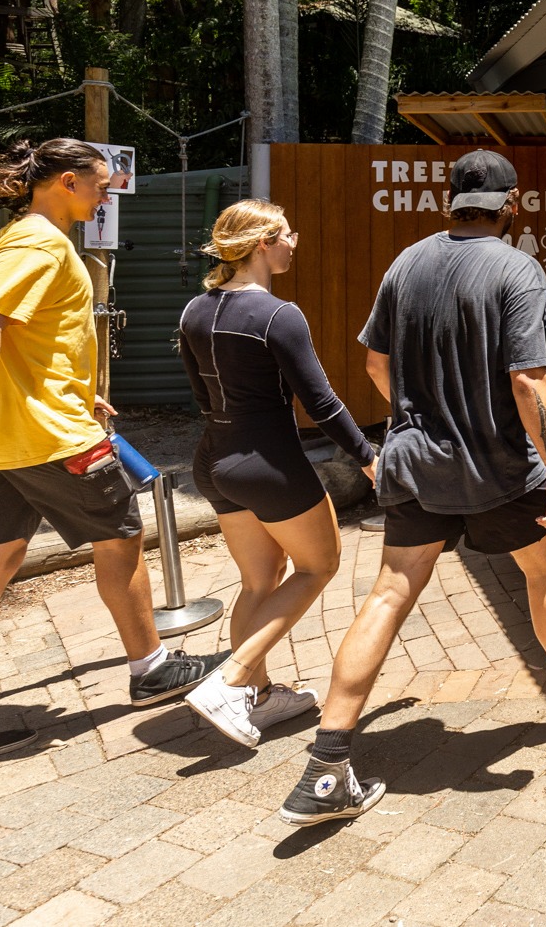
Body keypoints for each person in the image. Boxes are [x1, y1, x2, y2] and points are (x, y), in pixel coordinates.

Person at [278, 150, 546, 826]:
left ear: (452, 201)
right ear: (511, 203)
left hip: (414, 462)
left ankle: (326, 766)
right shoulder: (516, 267)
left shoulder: (406, 263)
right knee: (545, 568)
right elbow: (529, 380)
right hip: (499, 467)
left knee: (388, 594)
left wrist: (422, 417)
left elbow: (375, 364)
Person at [0, 140, 225, 773]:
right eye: (100, 186)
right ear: (68, 182)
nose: (106, 196)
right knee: (122, 536)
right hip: (51, 441)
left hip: (16, 439)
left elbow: (32, 339)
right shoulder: (38, 244)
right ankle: (152, 668)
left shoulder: (24, 236)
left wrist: (82, 393)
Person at [177, 201, 378, 747]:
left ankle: (257, 701)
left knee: (259, 581)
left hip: (214, 460)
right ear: (264, 244)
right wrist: (368, 457)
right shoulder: (277, 316)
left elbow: (199, 395)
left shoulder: (195, 309)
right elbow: (322, 402)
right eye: (288, 233)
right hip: (267, 463)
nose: (296, 240)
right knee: (320, 565)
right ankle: (232, 679)